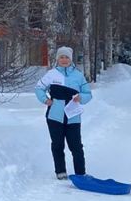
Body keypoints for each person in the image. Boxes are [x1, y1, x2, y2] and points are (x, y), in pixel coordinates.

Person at [34, 47, 92, 180]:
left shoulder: (78, 75)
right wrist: (45, 99)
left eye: (66, 57)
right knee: (57, 144)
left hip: (73, 117)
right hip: (55, 117)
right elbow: (39, 88)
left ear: (71, 59)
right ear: (57, 59)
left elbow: (88, 94)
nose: (64, 60)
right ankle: (60, 171)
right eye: (61, 57)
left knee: (76, 146)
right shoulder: (51, 74)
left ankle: (80, 174)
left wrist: (81, 98)